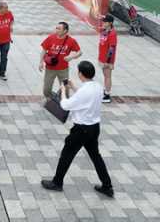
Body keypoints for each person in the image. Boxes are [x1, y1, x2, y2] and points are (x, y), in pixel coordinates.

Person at [41, 61, 114, 198]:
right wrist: (74, 87)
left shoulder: (85, 91)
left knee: (66, 154)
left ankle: (57, 182)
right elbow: (85, 96)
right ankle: (107, 186)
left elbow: (65, 105)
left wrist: (63, 91)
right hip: (94, 128)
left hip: (81, 130)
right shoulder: (98, 86)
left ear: (81, 73)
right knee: (96, 156)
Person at [40, 22, 82, 100]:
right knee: (46, 89)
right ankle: (51, 100)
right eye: (56, 28)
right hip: (50, 68)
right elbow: (43, 50)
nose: (56, 30)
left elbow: (79, 52)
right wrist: (40, 62)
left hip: (63, 69)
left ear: (65, 31)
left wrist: (71, 57)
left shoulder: (71, 40)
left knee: (66, 89)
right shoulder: (50, 38)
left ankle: (63, 102)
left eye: (59, 28)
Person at [98, 15, 117, 103]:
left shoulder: (112, 34)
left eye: (105, 22)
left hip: (107, 60)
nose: (103, 23)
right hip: (102, 58)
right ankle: (105, 90)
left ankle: (107, 95)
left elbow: (111, 48)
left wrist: (107, 61)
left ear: (110, 23)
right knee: (105, 76)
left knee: (108, 76)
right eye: (103, 22)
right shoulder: (105, 31)